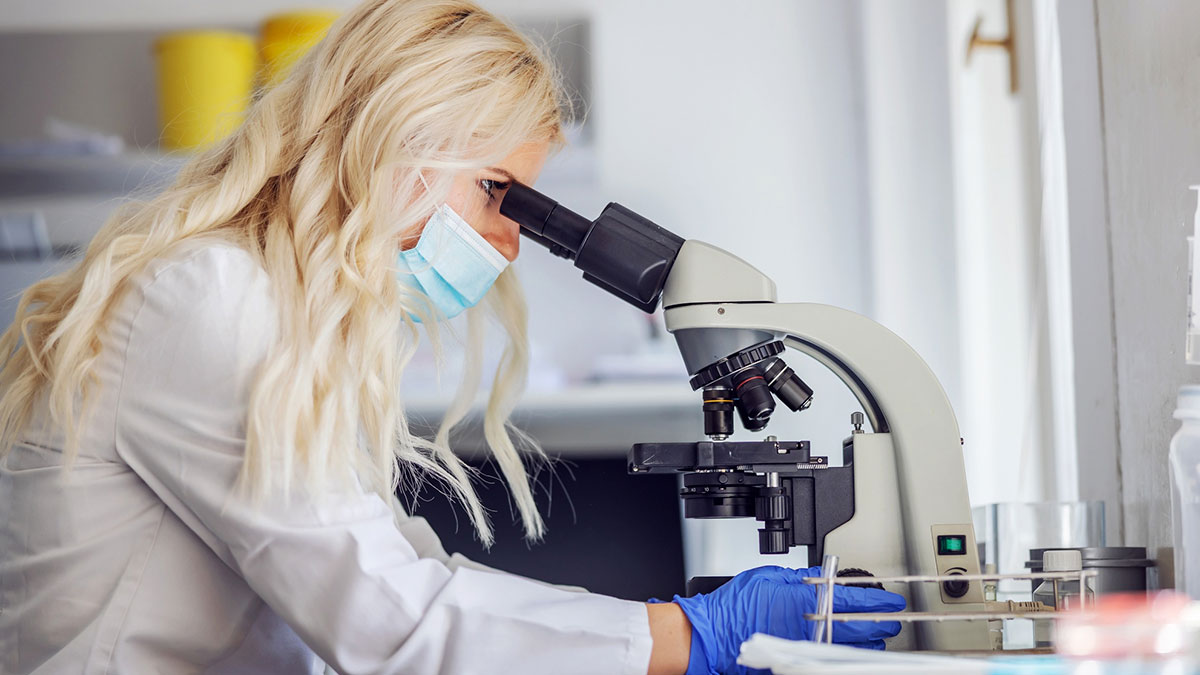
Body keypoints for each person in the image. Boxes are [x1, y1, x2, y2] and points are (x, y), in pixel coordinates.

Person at [0, 1, 904, 673]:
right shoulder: (213, 299)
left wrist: (658, 622)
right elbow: (392, 622)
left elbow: (406, 573)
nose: (511, 246)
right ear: (396, 139)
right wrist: (687, 635)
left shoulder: (265, 308)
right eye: (498, 193)